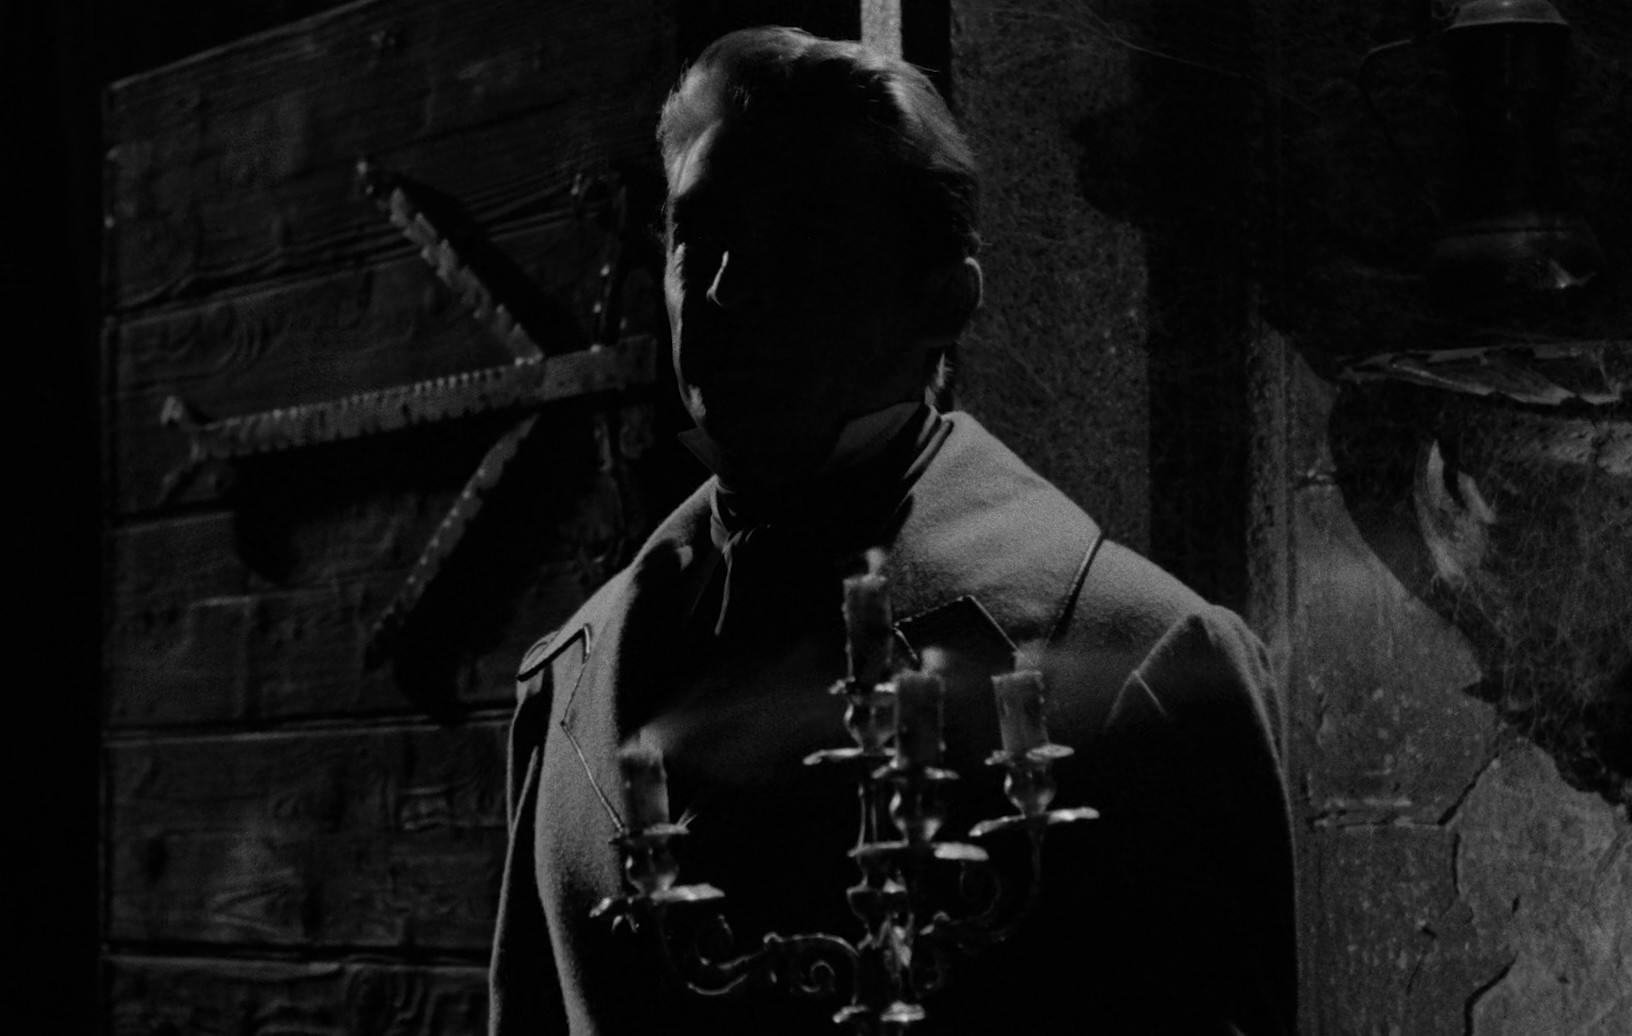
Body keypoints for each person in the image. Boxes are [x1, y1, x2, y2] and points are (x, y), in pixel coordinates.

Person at [490, 26, 1296, 1036]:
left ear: (943, 299)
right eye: (698, 236)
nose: (724, 291)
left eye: (797, 238)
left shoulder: (1146, 666)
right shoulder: (570, 683)